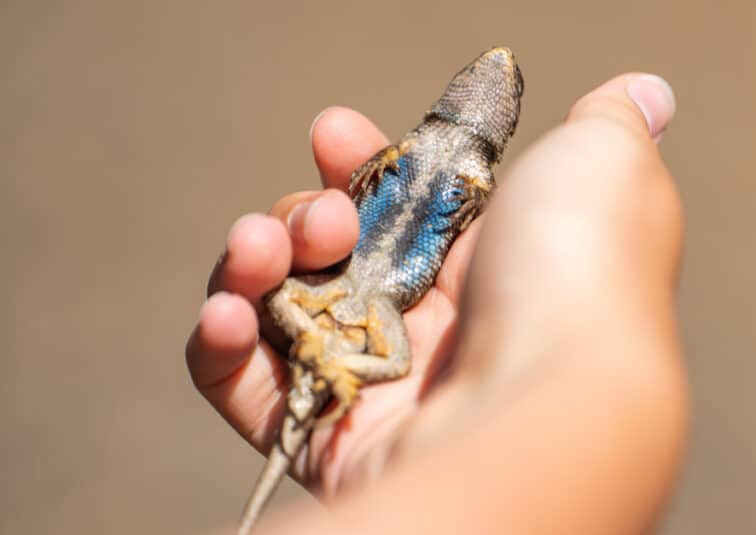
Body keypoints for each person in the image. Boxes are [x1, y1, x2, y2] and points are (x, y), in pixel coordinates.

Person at [186, 73, 687, 533]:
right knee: (272, 289)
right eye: (473, 74)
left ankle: (341, 364)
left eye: (510, 86)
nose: (492, 70)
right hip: (346, 279)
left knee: (395, 355)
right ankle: (317, 343)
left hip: (382, 295)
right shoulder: (423, 145)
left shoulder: (477, 175)